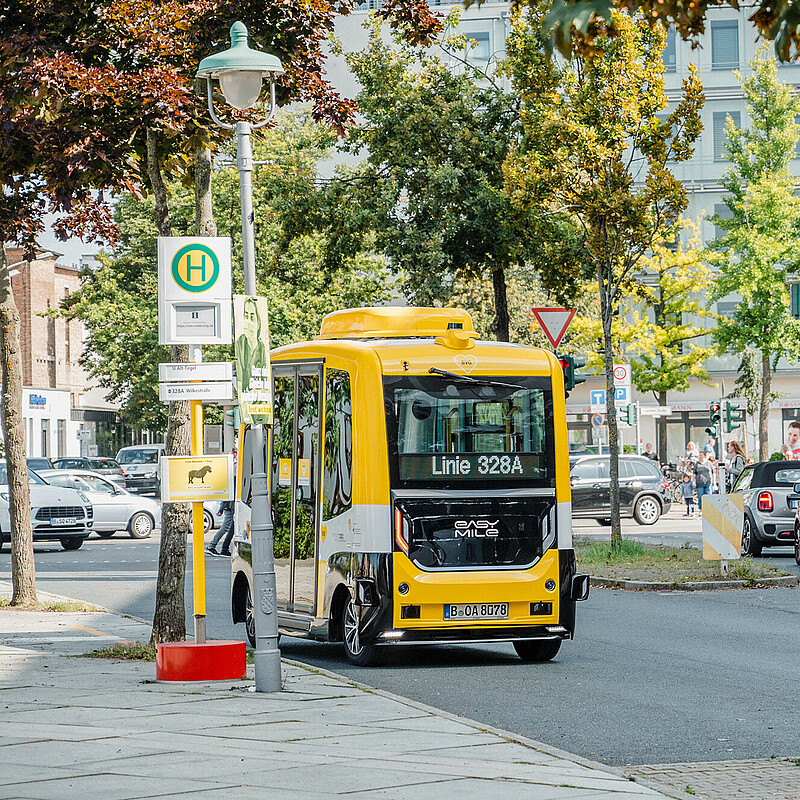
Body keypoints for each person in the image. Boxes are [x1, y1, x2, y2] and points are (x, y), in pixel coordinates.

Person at [235, 296, 268, 395]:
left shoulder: (263, 349)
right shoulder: (239, 344)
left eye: (252, 317)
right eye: (246, 316)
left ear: (258, 323)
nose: (248, 322)